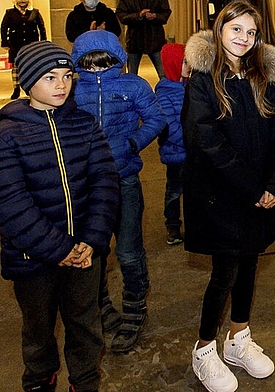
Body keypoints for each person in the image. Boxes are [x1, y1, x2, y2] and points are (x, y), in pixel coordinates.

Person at [183, 0, 275, 392]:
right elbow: (207, 143)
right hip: (222, 197)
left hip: (261, 194)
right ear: (219, 31)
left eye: (250, 32)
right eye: (235, 30)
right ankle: (204, 349)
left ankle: (238, 339)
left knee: (249, 266)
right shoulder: (203, 81)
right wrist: (253, 189)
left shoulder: (262, 79)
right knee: (224, 273)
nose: (243, 38)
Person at [0, 41, 119, 392]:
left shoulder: (83, 123)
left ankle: (84, 383)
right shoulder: (8, 133)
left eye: (67, 76)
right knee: (37, 332)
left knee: (86, 326)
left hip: (84, 254)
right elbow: (10, 203)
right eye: (50, 77)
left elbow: (105, 180)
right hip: (33, 259)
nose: (62, 85)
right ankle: (40, 381)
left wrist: (91, 240)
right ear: (28, 80)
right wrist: (59, 249)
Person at [71, 29, 166, 353]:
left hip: (124, 179)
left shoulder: (133, 85)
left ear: (117, 61)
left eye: (105, 63)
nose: (97, 69)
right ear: (80, 63)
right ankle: (101, 307)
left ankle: (135, 307)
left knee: (128, 250)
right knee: (93, 251)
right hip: (85, 186)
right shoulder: (71, 89)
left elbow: (155, 119)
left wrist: (132, 143)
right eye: (90, 64)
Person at [155, 43, 190, 246]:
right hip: (176, 153)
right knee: (175, 191)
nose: (189, 65)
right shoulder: (164, 93)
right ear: (173, 64)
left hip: (193, 152)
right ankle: (173, 224)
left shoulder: (191, 85)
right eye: (185, 61)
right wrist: (191, 141)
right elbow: (169, 127)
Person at [116, 0, 172, 78]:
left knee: (163, 74)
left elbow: (166, 13)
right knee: (132, 75)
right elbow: (121, 16)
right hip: (134, 40)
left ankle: (164, 94)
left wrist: (156, 16)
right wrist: (138, 15)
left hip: (155, 39)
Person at [1, 0, 47, 99]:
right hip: (15, 44)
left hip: (31, 43)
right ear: (16, 0)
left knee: (31, 64)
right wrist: (5, 42)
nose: (22, 0)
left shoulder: (34, 12)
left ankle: (29, 87)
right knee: (16, 67)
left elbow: (41, 27)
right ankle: (16, 89)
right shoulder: (10, 12)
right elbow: (3, 28)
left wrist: (43, 41)